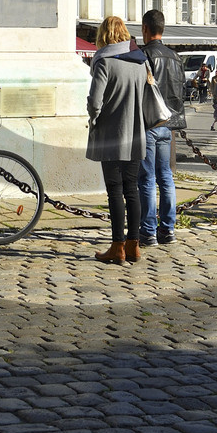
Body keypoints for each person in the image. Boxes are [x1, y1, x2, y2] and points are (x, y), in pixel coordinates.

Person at [86, 15, 148, 263]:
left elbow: (95, 101)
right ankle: (134, 245)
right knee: (132, 188)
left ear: (104, 35)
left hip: (111, 134)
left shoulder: (104, 61)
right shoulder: (140, 62)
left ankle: (117, 246)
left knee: (114, 190)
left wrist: (94, 118)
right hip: (135, 132)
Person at [137, 10, 182, 248]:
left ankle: (148, 231)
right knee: (165, 176)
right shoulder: (175, 57)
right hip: (168, 123)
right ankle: (168, 228)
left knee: (146, 178)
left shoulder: (143, 55)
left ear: (145, 28)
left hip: (148, 122)